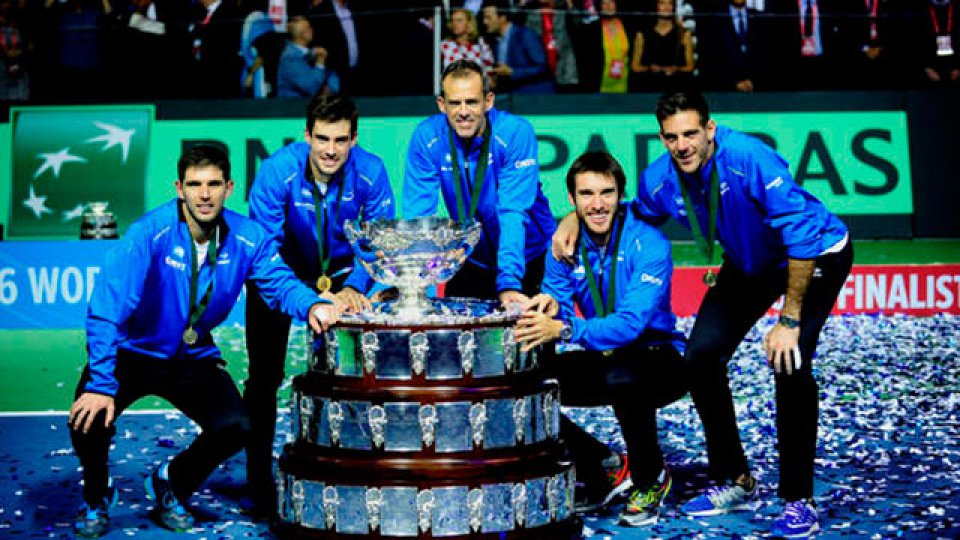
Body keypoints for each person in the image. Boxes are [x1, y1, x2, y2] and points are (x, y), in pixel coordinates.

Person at [553, 91, 853, 538]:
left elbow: (800, 234)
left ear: (709, 129)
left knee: (789, 362)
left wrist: (788, 321)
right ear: (662, 138)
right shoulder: (660, 179)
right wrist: (572, 218)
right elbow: (625, 213)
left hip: (812, 255)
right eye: (672, 137)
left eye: (691, 133)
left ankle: (798, 499)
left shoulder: (749, 158)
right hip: (749, 264)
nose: (683, 145)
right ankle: (736, 479)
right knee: (700, 356)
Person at [68, 145, 341, 537]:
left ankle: (171, 482)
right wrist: (99, 384)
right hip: (133, 352)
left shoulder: (248, 238)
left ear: (229, 188)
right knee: (88, 420)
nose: (205, 194)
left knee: (237, 425)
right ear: (179, 188)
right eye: (195, 184)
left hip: (190, 357)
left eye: (214, 184)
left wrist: (312, 305)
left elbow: (279, 283)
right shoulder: (149, 233)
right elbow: (107, 308)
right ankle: (96, 495)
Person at [243, 93, 396, 517]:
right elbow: (264, 253)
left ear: (354, 139)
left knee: (366, 371)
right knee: (263, 380)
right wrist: (309, 299)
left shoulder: (372, 172)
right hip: (283, 277)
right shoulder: (277, 172)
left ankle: (363, 466)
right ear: (307, 135)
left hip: (348, 279)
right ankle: (258, 480)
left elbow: (377, 244)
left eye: (341, 140)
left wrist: (356, 289)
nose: (331, 150)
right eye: (323, 139)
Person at [515, 150, 687, 526]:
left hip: (658, 356)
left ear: (620, 195)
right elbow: (556, 298)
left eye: (606, 193)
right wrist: (548, 306)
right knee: (525, 384)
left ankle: (651, 476)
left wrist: (566, 328)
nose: (597, 205)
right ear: (572, 200)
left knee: (622, 375)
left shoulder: (650, 244)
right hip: (607, 355)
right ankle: (602, 463)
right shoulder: (563, 245)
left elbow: (629, 325)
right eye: (586, 195)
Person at [403, 59, 556, 306]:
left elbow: (512, 213)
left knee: (530, 340)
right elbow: (418, 216)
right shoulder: (427, 137)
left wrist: (508, 282)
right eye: (455, 103)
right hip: (472, 257)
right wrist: (413, 283)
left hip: (530, 257)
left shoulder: (515, 133)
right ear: (442, 105)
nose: (464, 112)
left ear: (488, 101)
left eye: (472, 102)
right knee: (452, 338)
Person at [481, 0, 556, 93]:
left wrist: (513, 72)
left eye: (489, 18)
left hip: (536, 96)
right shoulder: (495, 41)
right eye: (484, 18)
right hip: (513, 97)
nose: (485, 22)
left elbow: (542, 67)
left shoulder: (525, 35)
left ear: (502, 18)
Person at [629, 0, 694, 93]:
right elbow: (635, 66)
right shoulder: (642, 34)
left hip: (676, 88)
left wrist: (676, 69)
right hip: (648, 88)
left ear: (674, 7)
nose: (666, 7)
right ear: (656, 6)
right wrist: (650, 68)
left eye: (669, 3)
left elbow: (690, 66)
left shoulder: (684, 34)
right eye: (662, 3)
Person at [276, 15, 340, 97]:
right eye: (308, 28)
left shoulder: (314, 53)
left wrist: (331, 89)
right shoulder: (290, 58)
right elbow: (312, 87)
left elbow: (331, 74)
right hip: (294, 107)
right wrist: (320, 64)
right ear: (301, 34)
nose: (312, 30)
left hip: (318, 104)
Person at [440, 7, 495, 75]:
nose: (454, 24)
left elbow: (490, 71)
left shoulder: (481, 46)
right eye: (452, 20)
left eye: (459, 20)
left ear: (469, 23)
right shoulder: (444, 46)